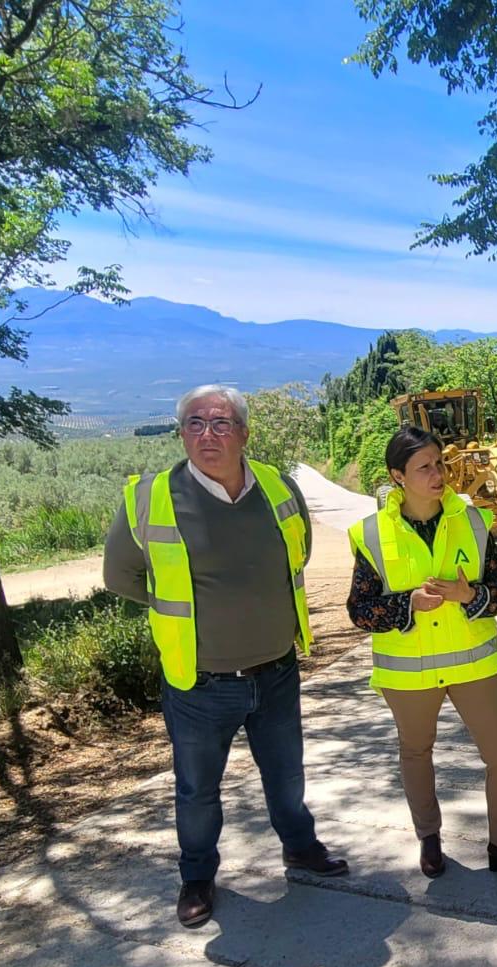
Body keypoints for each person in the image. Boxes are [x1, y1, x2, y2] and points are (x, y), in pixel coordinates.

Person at [103, 384, 347, 930]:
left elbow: (299, 551)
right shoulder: (150, 497)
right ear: (180, 433)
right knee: (197, 790)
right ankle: (196, 877)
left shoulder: (278, 487)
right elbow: (120, 576)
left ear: (243, 433)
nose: (206, 434)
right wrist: (189, 607)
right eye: (194, 423)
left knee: (286, 775)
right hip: (199, 683)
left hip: (276, 671)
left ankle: (300, 847)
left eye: (219, 423)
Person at [345, 426, 497, 885]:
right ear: (398, 476)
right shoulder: (370, 534)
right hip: (408, 673)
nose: (438, 474)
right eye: (424, 468)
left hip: (472, 663)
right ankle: (429, 838)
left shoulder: (474, 521)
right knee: (416, 753)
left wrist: (469, 594)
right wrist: (407, 604)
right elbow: (359, 610)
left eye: (439, 463)